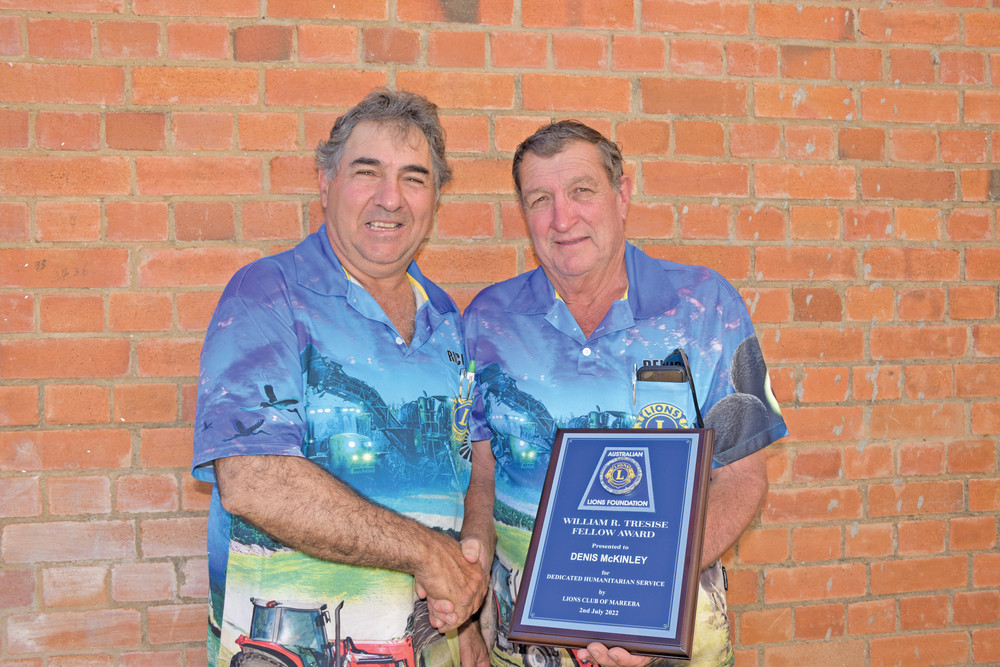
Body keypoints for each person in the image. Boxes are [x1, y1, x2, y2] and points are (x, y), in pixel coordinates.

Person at [462, 120, 788, 667]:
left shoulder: (709, 306)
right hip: (523, 648)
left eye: (582, 191)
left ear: (622, 194)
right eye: (541, 199)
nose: (563, 219)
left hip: (672, 643)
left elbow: (742, 476)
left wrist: (644, 599)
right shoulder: (486, 321)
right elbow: (482, 473)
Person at [191, 88, 494, 667]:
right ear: (326, 185)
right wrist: (428, 554)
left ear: (434, 197)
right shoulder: (267, 295)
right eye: (367, 172)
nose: (391, 198)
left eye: (414, 177)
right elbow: (255, 479)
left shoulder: (447, 319)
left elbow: (473, 466)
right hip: (293, 647)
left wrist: (469, 601)